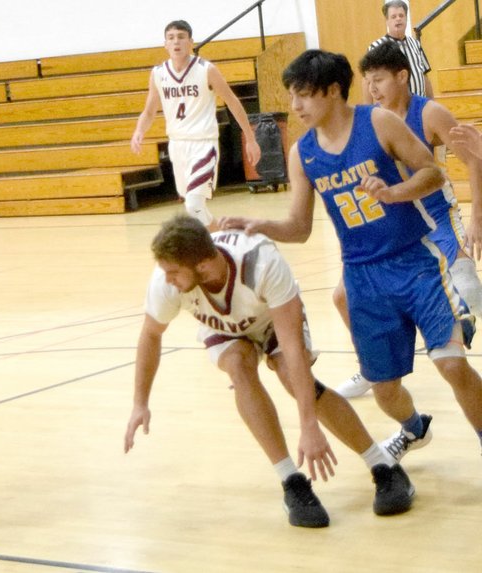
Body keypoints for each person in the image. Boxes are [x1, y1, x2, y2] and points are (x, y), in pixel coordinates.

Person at [218, 49, 482, 465]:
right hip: (363, 277)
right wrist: (257, 225)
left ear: (334, 90)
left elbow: (432, 171)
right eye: (292, 96)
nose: (295, 106)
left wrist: (394, 192)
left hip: (417, 260)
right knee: (384, 390)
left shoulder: (378, 122)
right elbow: (300, 228)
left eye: (303, 95)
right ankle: (415, 427)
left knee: (451, 364)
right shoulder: (301, 154)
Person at [123, 215, 414, 529]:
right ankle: (291, 480)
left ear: (204, 266)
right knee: (238, 366)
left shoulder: (261, 263)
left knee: (291, 374)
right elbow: (151, 335)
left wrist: (309, 424)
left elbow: (292, 348)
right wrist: (140, 402)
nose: (167, 280)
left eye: (174, 274)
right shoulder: (167, 279)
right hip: (226, 328)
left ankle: (382, 465)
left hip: (273, 317)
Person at [335, 42, 482, 400]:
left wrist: (477, 216)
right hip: (393, 223)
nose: (372, 88)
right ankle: (371, 367)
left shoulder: (430, 113)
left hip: (437, 217)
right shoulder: (369, 119)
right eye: (368, 81)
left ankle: (456, 318)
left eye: (379, 79)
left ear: (402, 76)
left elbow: (474, 159)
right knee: (342, 296)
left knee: (470, 289)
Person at [131, 20, 261, 231]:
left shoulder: (206, 69)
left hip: (203, 144)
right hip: (177, 145)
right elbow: (149, 110)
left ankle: (222, 243)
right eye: (171, 38)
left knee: (194, 204)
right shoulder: (158, 73)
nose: (176, 42)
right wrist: (139, 130)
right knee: (194, 207)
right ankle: (227, 235)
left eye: (181, 37)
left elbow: (232, 102)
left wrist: (251, 138)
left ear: (191, 42)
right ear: (165, 44)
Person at [363, 0, 433, 103]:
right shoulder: (376, 47)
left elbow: (424, 75)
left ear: (406, 18)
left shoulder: (416, 44)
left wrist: (431, 103)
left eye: (401, 15)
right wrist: (368, 111)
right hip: (392, 110)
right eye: (393, 16)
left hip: (419, 107)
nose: (398, 19)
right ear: (387, 21)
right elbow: (367, 81)